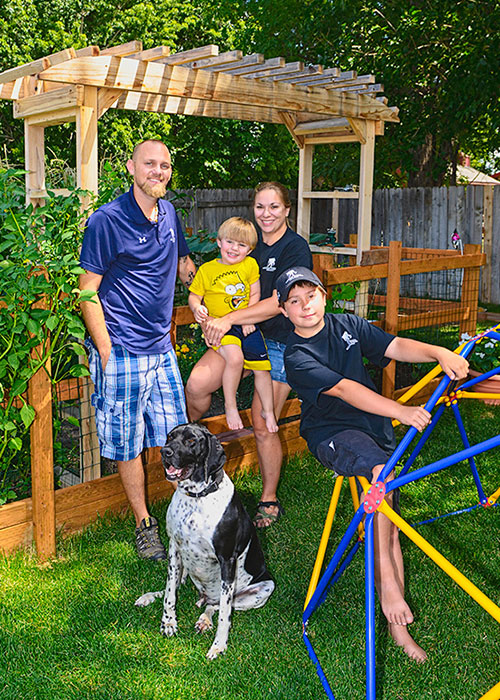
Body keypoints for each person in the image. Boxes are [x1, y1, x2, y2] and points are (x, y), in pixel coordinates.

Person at [275, 266, 469, 662]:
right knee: (382, 483)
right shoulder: (296, 355)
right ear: (284, 311)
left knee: (388, 515)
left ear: (323, 296)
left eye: (309, 295)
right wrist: (399, 410)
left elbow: (394, 346)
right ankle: (391, 599)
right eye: (294, 301)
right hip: (332, 433)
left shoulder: (347, 324)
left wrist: (438, 351)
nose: (304, 305)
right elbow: (345, 390)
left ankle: (396, 621)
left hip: (371, 428)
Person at [79, 139, 196, 561]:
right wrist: (106, 352)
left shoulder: (169, 213)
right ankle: (145, 523)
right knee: (128, 444)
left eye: (165, 165)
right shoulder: (106, 221)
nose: (158, 171)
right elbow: (87, 291)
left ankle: (190, 513)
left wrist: (200, 292)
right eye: (150, 164)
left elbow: (183, 265)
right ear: (131, 167)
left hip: (162, 349)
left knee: (177, 437)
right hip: (123, 351)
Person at [186, 182, 313, 527]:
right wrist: (208, 316)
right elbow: (216, 285)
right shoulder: (245, 246)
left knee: (261, 419)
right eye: (260, 207)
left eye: (274, 207)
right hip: (238, 337)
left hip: (281, 343)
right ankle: (195, 454)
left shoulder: (295, 248)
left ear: (288, 209)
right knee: (197, 385)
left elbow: (279, 301)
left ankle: (269, 499)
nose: (266, 214)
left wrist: (226, 319)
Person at [188, 217, 278, 433]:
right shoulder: (207, 270)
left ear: (249, 250)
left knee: (263, 369)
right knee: (235, 358)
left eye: (241, 245)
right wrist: (196, 308)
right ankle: (230, 406)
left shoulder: (250, 265)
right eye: (230, 242)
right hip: (222, 327)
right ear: (219, 242)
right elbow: (194, 296)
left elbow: (254, 292)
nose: (234, 248)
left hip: (245, 323)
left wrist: (250, 318)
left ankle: (269, 410)